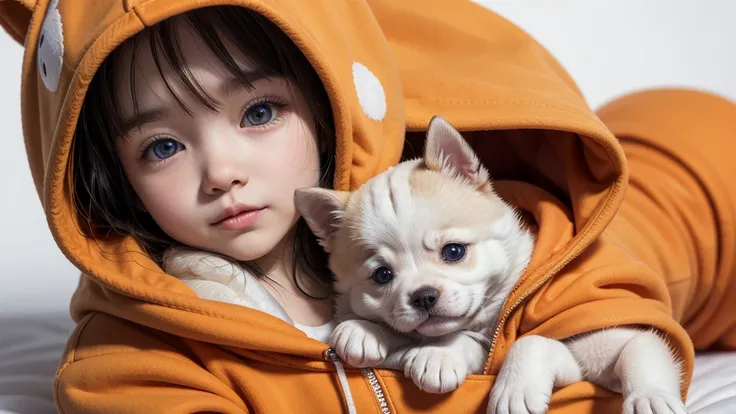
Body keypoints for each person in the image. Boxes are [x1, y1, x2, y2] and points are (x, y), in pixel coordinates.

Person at [1, 0, 735, 412]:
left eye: (258, 112)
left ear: (329, 102)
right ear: (108, 178)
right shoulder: (139, 349)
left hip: (700, 167)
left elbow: (599, 340)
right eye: (162, 147)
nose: (221, 171)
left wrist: (541, 352)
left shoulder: (468, 214)